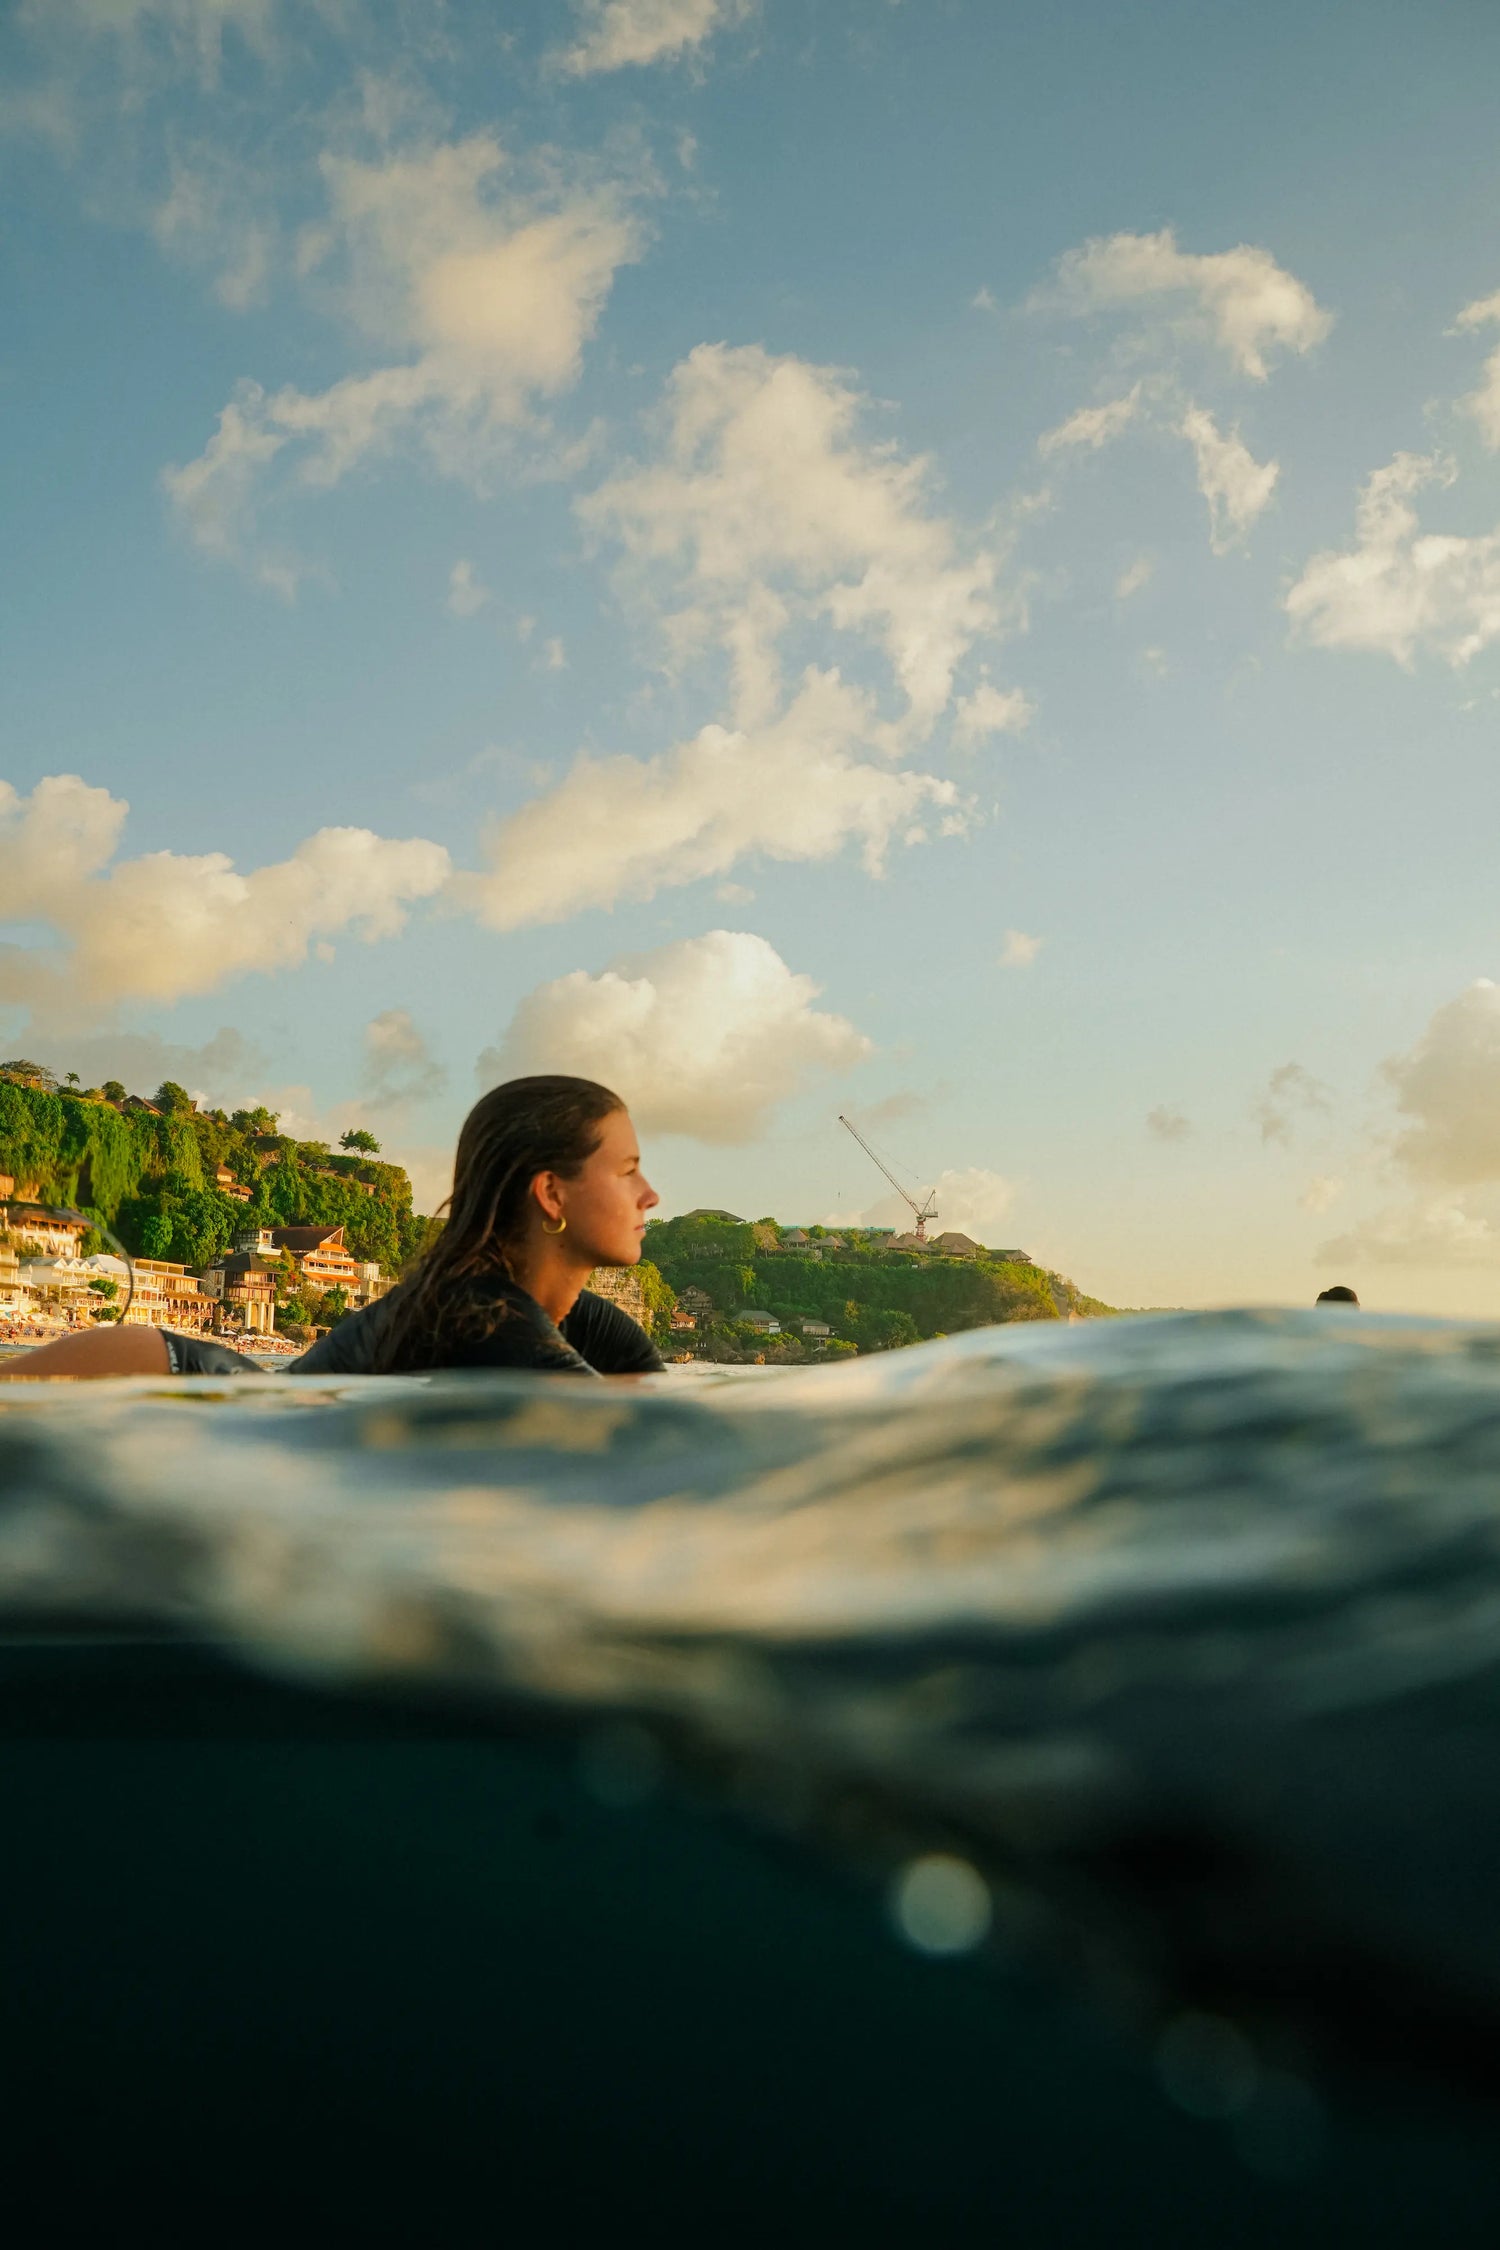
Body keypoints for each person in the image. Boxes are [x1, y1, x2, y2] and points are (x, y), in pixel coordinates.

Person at [1, 1077, 665, 1382]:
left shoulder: (577, 1323)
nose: (650, 1195)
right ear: (551, 1192)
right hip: (177, 1384)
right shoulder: (485, 1316)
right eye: (628, 1170)